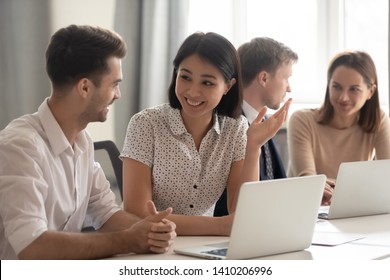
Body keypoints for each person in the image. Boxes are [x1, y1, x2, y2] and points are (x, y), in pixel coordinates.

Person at [0, 25, 176, 260]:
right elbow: (32, 246)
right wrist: (127, 240)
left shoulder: (82, 142)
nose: (118, 94)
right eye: (114, 84)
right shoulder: (20, 147)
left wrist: (151, 230)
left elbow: (106, 214)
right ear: (84, 87)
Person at [120, 32, 291, 236]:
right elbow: (138, 213)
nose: (192, 92)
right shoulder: (146, 124)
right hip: (150, 243)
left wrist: (253, 147)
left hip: (204, 246)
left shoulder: (236, 129)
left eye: (207, 83)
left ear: (228, 86)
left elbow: (240, 212)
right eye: (185, 77)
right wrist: (222, 226)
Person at [287, 50, 390, 205]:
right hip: (309, 207)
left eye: (354, 89)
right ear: (328, 86)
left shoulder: (378, 119)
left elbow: (386, 176)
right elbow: (309, 182)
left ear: (371, 91)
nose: (343, 97)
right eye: (337, 87)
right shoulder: (302, 120)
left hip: (355, 207)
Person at [214, 37, 298, 216]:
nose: (289, 88)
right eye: (287, 78)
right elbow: (224, 204)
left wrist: (304, 196)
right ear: (264, 78)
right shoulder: (226, 123)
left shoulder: (262, 120)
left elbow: (273, 182)